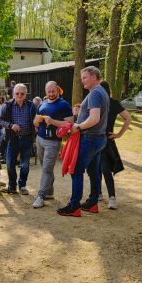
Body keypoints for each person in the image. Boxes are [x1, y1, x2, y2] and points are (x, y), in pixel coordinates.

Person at [58, 66, 109, 216]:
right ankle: (92, 203)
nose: (82, 81)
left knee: (76, 170)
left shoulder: (95, 93)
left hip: (91, 138)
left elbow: (94, 118)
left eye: (85, 78)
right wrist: (82, 110)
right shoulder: (101, 92)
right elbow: (94, 115)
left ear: (94, 77)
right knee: (93, 171)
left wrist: (78, 126)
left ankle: (74, 206)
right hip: (99, 138)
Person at [31, 81, 74, 208]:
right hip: (40, 139)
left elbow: (70, 124)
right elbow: (35, 122)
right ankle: (49, 192)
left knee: (47, 168)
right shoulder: (42, 104)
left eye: (53, 91)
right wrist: (37, 121)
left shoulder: (64, 104)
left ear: (57, 90)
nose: (51, 94)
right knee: (45, 167)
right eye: (48, 91)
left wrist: (53, 121)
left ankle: (41, 195)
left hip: (53, 142)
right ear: (45, 91)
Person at [0, 83, 36, 194]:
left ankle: (22, 185)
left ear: (26, 94)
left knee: (25, 165)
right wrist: (10, 125)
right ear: (13, 94)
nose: (19, 95)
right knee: (10, 164)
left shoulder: (31, 105)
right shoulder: (7, 105)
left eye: (22, 93)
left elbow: (36, 120)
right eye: (17, 93)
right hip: (12, 139)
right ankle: (12, 186)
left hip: (27, 139)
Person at [99, 81, 132, 210]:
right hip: (93, 139)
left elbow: (128, 118)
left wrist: (118, 134)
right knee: (93, 169)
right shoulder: (94, 102)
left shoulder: (112, 103)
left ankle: (112, 197)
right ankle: (98, 194)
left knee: (105, 169)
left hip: (106, 140)